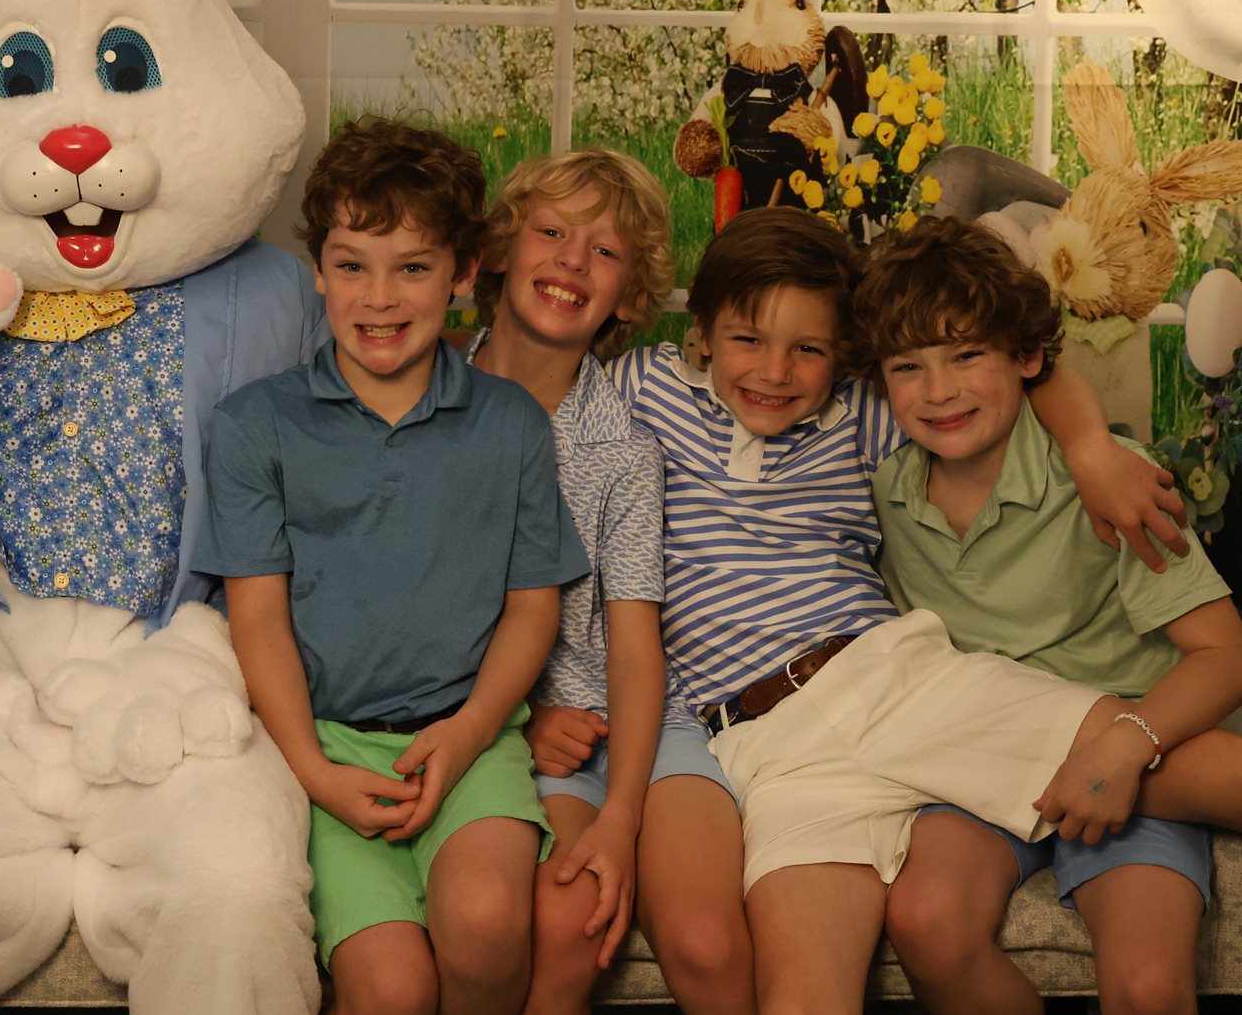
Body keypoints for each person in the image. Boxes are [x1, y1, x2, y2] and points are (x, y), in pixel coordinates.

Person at [597, 205, 1193, 1013]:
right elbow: (537, 392)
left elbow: (1014, 361)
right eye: (747, 339)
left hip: (878, 673)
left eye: (808, 348)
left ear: (842, 352)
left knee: (1155, 763)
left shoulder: (863, 412)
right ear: (699, 331)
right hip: (761, 746)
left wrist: (1089, 444)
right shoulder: (641, 387)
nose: (775, 370)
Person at [198, 118, 589, 1015]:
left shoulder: (510, 424)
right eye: (352, 265)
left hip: (468, 738)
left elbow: (533, 606)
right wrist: (312, 768)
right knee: (392, 987)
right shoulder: (256, 424)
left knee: (486, 919)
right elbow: (257, 615)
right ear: (319, 270)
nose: (379, 297)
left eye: (412, 267)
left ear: (464, 272)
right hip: (323, 746)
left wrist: (470, 732)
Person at [858, 216, 1242, 1015]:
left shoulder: (1109, 483)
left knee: (1146, 985)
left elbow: (1224, 653)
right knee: (926, 920)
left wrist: (1128, 745)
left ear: (1028, 358)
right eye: (908, 366)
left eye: (967, 354)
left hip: (1128, 752)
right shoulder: (882, 493)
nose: (939, 390)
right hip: (979, 767)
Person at [466, 150, 754, 1015]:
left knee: (701, 939)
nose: (570, 260)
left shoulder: (623, 447)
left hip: (639, 725)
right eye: (551, 232)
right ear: (502, 249)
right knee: (569, 914)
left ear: (628, 297)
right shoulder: (427, 397)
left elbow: (634, 642)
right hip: (531, 729)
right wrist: (521, 718)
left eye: (603, 252)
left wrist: (624, 818)